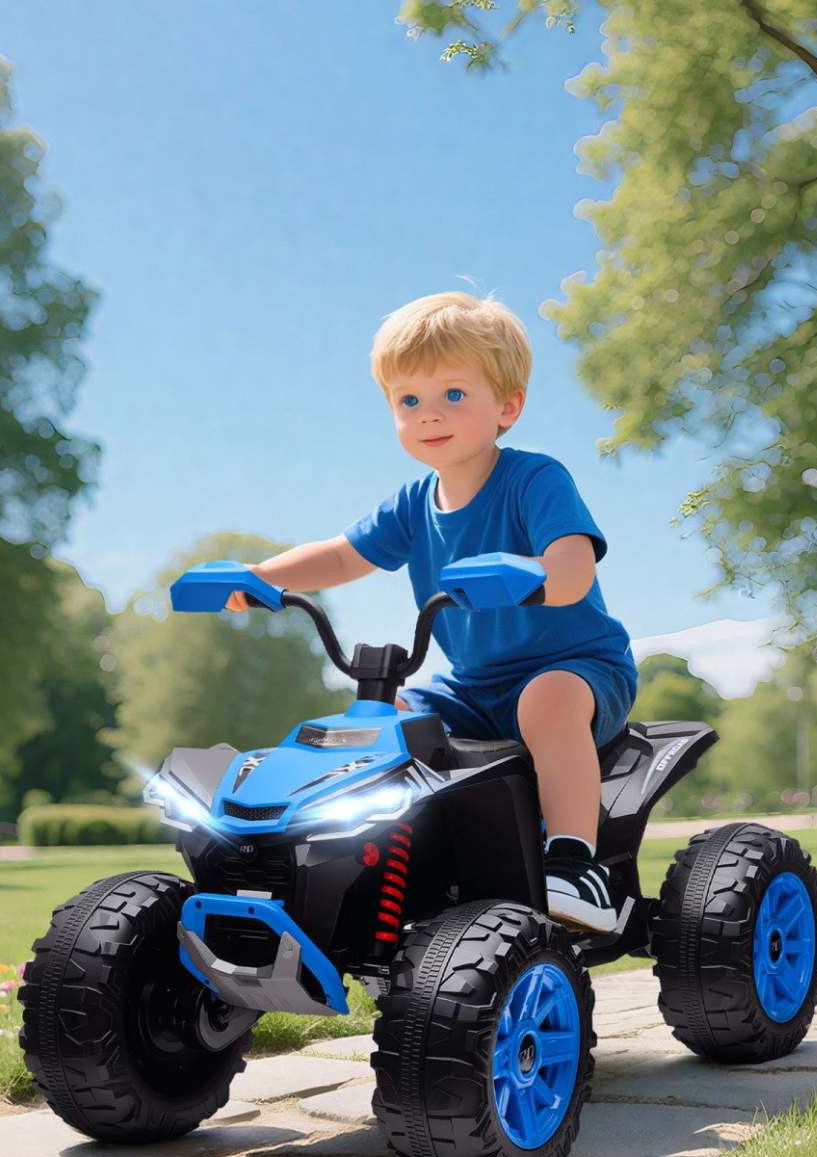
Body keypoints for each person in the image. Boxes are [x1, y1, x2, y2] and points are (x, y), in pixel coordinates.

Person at [226, 292, 637, 932]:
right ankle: (387, 866)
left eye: (452, 395)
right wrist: (260, 578)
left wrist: (530, 580)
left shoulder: (534, 479)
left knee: (546, 702)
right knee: (383, 722)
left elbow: (574, 566)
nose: (428, 416)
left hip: (577, 668)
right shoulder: (413, 503)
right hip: (472, 687)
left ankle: (573, 862)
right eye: (408, 401)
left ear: (507, 407)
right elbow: (340, 558)